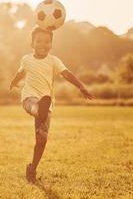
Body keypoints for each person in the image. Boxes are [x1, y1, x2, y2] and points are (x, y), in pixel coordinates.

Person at [10, 27, 93, 183]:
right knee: (34, 104)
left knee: (42, 140)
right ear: (32, 43)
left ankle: (32, 169)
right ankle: (38, 110)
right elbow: (21, 72)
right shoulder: (26, 59)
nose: (43, 44)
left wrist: (81, 86)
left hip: (47, 104)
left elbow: (67, 74)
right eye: (39, 41)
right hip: (29, 98)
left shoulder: (54, 61)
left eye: (47, 41)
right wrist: (14, 81)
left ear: (52, 44)